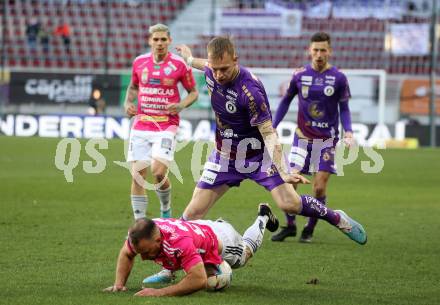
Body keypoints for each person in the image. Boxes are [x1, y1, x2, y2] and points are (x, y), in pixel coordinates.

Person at [143, 36, 366, 284]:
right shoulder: (212, 69)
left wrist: (283, 171)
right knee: (191, 214)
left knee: (289, 204)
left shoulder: (250, 92)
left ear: (236, 60)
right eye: (214, 69)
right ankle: (169, 269)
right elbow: (203, 63)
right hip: (225, 156)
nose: (218, 75)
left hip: (258, 157)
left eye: (224, 69)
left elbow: (269, 134)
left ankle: (337, 218)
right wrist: (187, 57)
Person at [271, 32, 354, 243]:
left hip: (327, 142)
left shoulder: (339, 77)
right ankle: (290, 225)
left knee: (319, 187)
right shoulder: (299, 75)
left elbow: (344, 108)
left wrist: (349, 131)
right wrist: (272, 126)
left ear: (330, 51)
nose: (319, 54)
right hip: (302, 138)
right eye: (315, 50)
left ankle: (309, 228)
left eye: (323, 50)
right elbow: (285, 101)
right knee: (291, 183)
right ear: (310, 50)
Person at [103, 203, 280, 296]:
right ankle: (171, 271)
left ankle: (263, 216)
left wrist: (159, 293)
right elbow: (127, 253)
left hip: (222, 239)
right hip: (197, 230)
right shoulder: (140, 234)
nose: (143, 258)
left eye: (147, 252)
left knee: (244, 255)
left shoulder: (178, 242)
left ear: (158, 240)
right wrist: (119, 285)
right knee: (186, 257)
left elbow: (198, 280)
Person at [123, 23, 198, 221]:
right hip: (141, 123)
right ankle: (140, 224)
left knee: (157, 172)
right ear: (149, 41)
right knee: (138, 175)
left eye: (163, 39)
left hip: (166, 125)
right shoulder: (139, 62)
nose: (159, 43)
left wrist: (181, 105)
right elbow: (132, 87)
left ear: (169, 41)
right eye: (155, 39)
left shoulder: (179, 65)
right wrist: (127, 103)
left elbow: (194, 93)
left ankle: (165, 207)